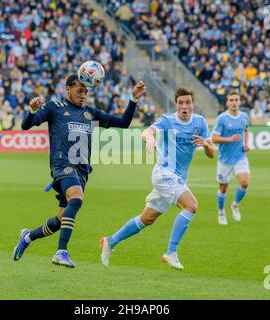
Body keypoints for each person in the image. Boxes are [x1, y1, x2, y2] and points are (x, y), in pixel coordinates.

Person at [13, 74, 147, 268]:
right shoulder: (54, 108)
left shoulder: (90, 113)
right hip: (62, 165)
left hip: (82, 171)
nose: (83, 95)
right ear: (67, 90)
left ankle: (28, 237)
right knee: (76, 198)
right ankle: (61, 251)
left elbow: (123, 123)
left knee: (60, 221)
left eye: (86, 91)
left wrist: (133, 99)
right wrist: (32, 111)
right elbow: (26, 126)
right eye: (79, 91)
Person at [100, 87, 215, 270]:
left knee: (147, 219)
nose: (184, 106)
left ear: (193, 104)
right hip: (163, 174)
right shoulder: (168, 120)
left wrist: (206, 144)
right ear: (176, 105)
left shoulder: (200, 122)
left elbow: (211, 153)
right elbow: (147, 132)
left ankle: (110, 241)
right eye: (181, 103)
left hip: (177, 179)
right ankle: (171, 252)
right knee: (191, 205)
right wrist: (150, 139)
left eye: (188, 102)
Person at [212, 91, 250, 225]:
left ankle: (234, 205)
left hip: (240, 156)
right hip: (225, 160)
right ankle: (221, 212)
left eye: (236, 100)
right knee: (223, 188)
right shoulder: (222, 119)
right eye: (231, 100)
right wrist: (229, 139)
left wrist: (246, 143)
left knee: (245, 183)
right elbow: (214, 138)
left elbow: (245, 130)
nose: (234, 102)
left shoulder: (244, 116)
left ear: (240, 102)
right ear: (227, 103)